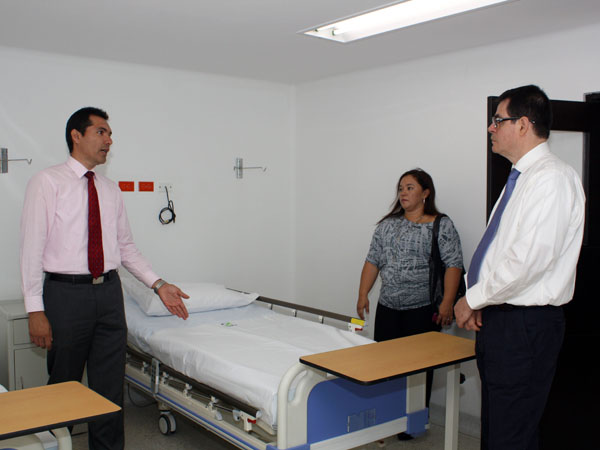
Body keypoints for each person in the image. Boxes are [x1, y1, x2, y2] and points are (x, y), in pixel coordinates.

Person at [20, 107, 190, 450]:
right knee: (64, 384)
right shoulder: (47, 182)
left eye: (110, 134)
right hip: (66, 295)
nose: (109, 140)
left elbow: (126, 248)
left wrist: (159, 285)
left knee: (109, 387)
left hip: (110, 294)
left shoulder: (110, 190)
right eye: (101, 132)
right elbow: (31, 251)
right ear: (76, 135)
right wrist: (35, 310)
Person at [455, 85, 585, 450]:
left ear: (524, 124)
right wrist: (482, 301)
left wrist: (472, 299)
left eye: (498, 120)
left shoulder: (552, 179)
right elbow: (500, 250)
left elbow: (526, 262)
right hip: (503, 318)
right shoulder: (522, 177)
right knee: (500, 427)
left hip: (524, 325)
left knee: (510, 434)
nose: (490, 128)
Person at [356, 169, 463, 437]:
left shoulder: (441, 225)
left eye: (410, 187)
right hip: (388, 308)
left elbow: (454, 265)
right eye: (401, 188)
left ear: (426, 193)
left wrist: (447, 303)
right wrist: (363, 293)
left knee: (418, 370)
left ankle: (413, 423)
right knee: (385, 366)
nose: (403, 193)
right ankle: (386, 418)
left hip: (422, 310)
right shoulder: (387, 225)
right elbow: (372, 260)